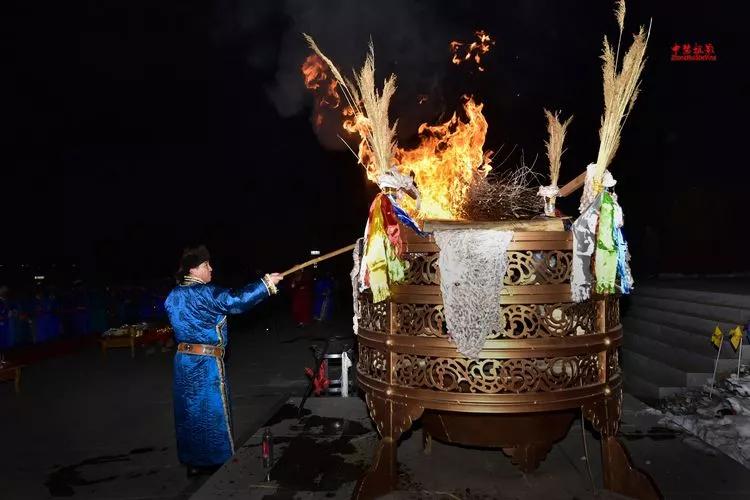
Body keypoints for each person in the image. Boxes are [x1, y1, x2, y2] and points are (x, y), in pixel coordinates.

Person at [164, 245, 283, 477]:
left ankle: (194, 462)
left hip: (183, 361)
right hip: (206, 363)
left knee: (189, 412)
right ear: (195, 269)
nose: (211, 268)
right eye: (207, 265)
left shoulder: (173, 295)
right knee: (211, 413)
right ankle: (217, 464)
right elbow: (235, 301)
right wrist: (266, 284)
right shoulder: (206, 293)